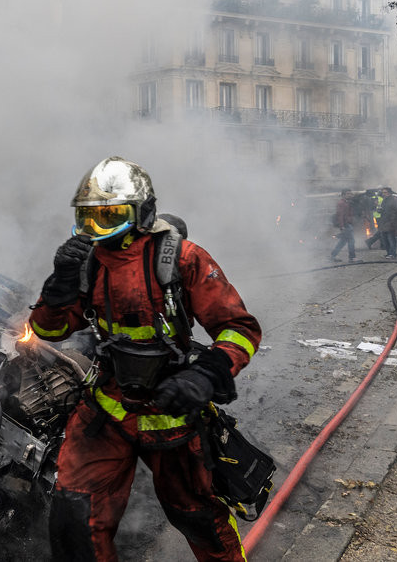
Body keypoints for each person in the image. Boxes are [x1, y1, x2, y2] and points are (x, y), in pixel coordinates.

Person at [28, 157, 260, 561]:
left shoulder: (182, 259)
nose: (97, 229)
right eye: (88, 218)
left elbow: (239, 328)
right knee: (75, 519)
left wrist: (208, 373)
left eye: (110, 216)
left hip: (172, 410)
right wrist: (59, 285)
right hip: (107, 408)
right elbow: (49, 331)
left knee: (197, 517)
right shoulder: (87, 265)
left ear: (143, 213)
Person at [329, 189, 358, 263]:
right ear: (343, 195)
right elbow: (340, 215)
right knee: (351, 241)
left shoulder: (347, 202)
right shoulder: (341, 203)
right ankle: (352, 258)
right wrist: (342, 226)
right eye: (348, 194)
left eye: (350, 193)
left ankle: (333, 256)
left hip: (348, 224)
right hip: (346, 224)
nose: (350, 195)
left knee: (343, 241)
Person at [378, 186, 397, 259]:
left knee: (391, 239)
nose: (383, 194)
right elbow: (383, 210)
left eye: (385, 192)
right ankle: (388, 253)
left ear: (389, 192)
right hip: (384, 222)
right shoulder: (384, 200)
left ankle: (393, 254)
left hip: (392, 222)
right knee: (385, 239)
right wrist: (379, 210)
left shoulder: (395, 200)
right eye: (383, 192)